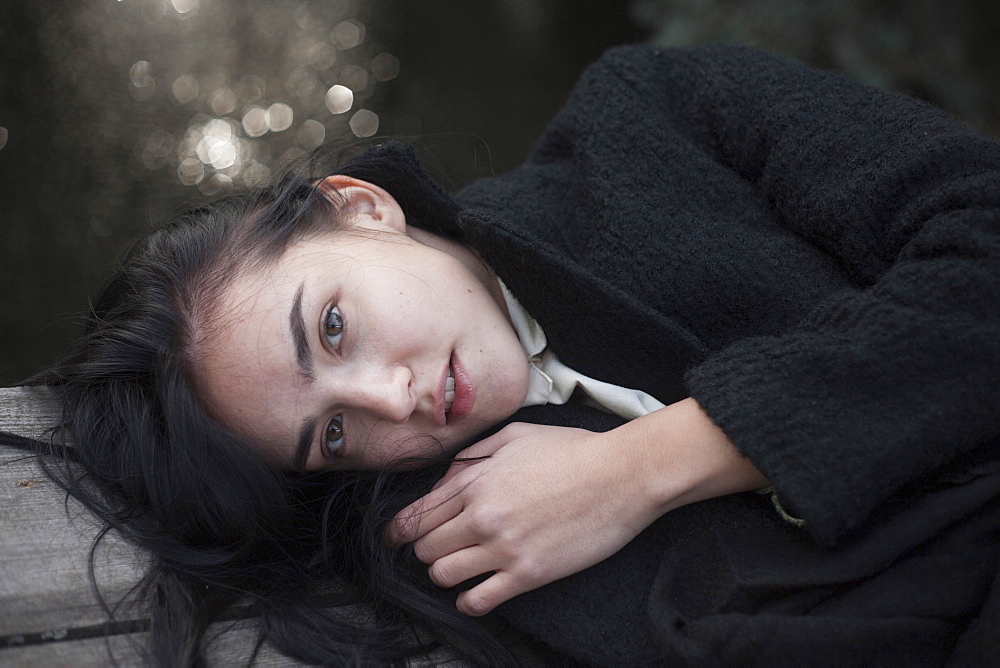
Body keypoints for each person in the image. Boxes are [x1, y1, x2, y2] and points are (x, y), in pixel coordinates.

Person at [5, 43, 999, 666]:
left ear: (361, 208)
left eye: (335, 328)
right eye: (337, 433)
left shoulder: (653, 113)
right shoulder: (466, 533)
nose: (396, 402)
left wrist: (644, 468)